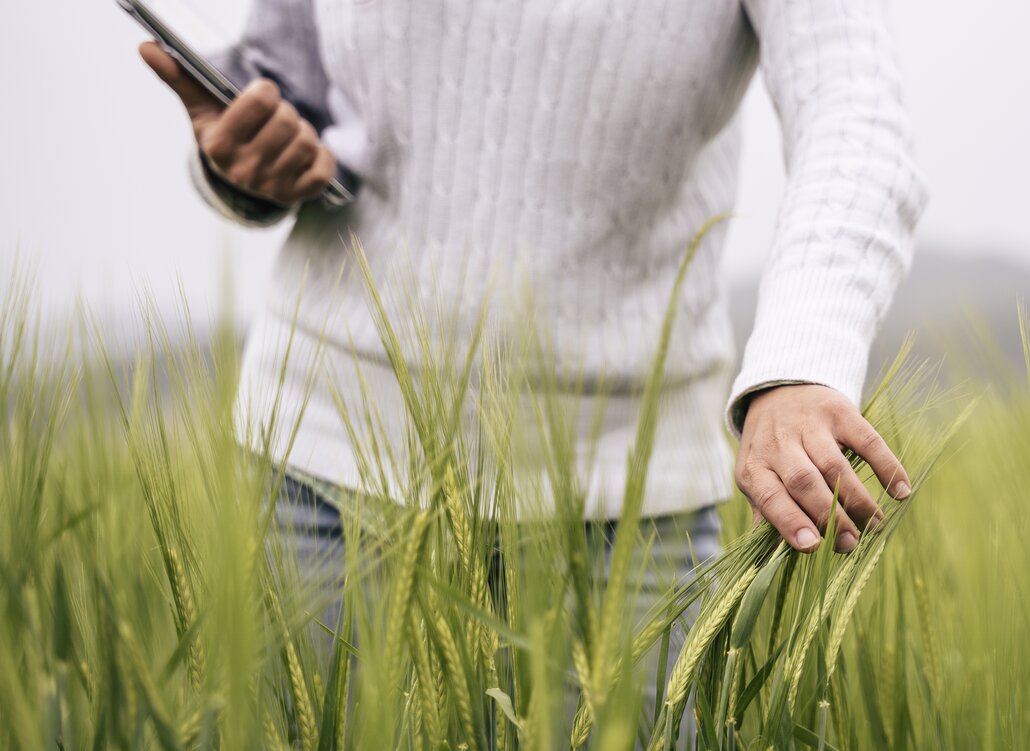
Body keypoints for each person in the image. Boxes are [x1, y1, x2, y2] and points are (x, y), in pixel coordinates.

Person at [138, 0, 926, 736]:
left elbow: (853, 108)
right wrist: (250, 153)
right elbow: (290, 72)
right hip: (315, 474)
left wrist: (801, 357)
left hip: (627, 512)